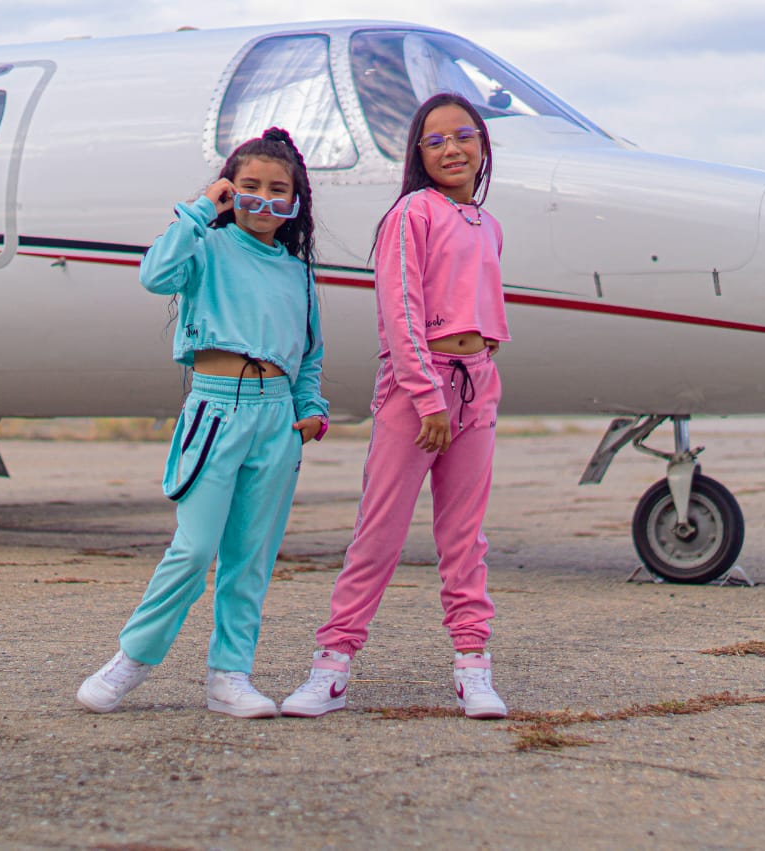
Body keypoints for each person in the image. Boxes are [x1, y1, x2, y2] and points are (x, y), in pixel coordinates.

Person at [77, 127, 329, 719]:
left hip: (277, 420)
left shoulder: (299, 272)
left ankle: (229, 678)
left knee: (251, 556)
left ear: (295, 203)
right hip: (215, 411)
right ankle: (131, 660)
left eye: (278, 190)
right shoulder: (204, 247)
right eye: (248, 188)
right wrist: (198, 211)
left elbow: (309, 353)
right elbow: (154, 274)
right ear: (227, 190)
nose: (263, 201)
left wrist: (309, 411)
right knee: (193, 550)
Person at [281, 93, 510, 720]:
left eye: (463, 136)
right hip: (418, 392)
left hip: (477, 384)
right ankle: (331, 667)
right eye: (435, 142)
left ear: (483, 144)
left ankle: (473, 667)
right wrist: (427, 396)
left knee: (465, 537)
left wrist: (474, 388)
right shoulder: (411, 214)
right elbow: (399, 309)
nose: (452, 150)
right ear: (417, 155)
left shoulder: (488, 225)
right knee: (378, 536)